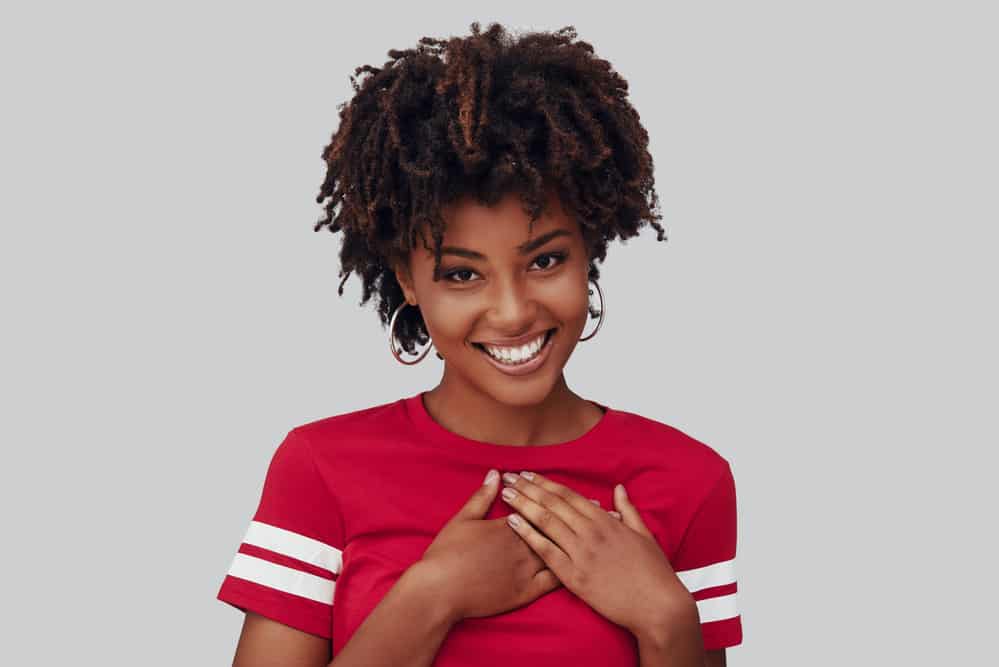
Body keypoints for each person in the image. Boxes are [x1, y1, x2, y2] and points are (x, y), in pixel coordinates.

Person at [216, 21, 742, 667]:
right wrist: (429, 597)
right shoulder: (320, 468)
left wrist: (666, 621)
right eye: (461, 273)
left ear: (589, 251)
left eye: (545, 260)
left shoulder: (689, 478)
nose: (513, 310)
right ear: (408, 278)